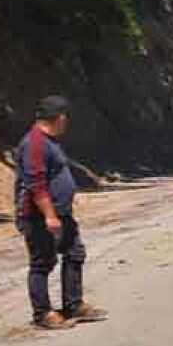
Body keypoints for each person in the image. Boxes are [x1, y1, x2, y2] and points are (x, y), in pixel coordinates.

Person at [14, 96, 108, 329]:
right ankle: (43, 314)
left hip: (61, 212)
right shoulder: (35, 143)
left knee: (75, 253)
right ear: (60, 117)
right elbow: (36, 184)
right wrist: (49, 215)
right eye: (66, 117)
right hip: (39, 216)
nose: (67, 122)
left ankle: (73, 304)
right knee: (42, 263)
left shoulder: (49, 141)